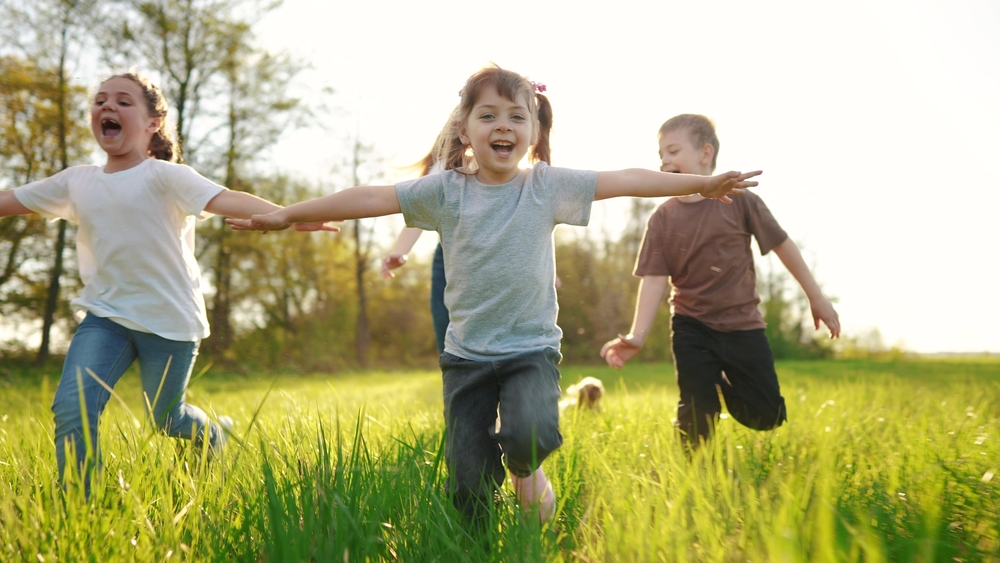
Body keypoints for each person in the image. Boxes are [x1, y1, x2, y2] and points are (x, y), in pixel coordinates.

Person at [227, 66, 760, 526]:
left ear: (532, 130)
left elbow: (623, 179)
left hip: (530, 350)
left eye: (516, 115)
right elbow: (371, 196)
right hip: (467, 359)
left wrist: (697, 185)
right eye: (488, 115)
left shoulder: (546, 186)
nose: (502, 124)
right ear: (464, 130)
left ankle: (528, 474)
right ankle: (483, 532)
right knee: (468, 491)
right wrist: (287, 214)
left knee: (528, 438)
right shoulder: (444, 191)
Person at [0, 71, 334, 493]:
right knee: (72, 407)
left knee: (165, 418)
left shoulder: (167, 177)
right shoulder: (76, 181)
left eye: (123, 102)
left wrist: (290, 214)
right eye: (101, 101)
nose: (108, 107)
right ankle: (77, 504)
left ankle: (211, 436)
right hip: (106, 315)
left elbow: (228, 199)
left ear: (153, 122)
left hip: (170, 319)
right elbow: (9, 201)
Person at [600, 114, 839, 447]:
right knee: (696, 412)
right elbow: (654, 280)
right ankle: (694, 472)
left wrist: (816, 297)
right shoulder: (663, 218)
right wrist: (636, 337)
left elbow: (782, 244)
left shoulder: (741, 201)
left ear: (705, 154)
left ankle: (719, 382)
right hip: (691, 326)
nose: (665, 161)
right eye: (661, 155)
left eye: (673, 151)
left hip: (743, 325)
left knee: (767, 415)